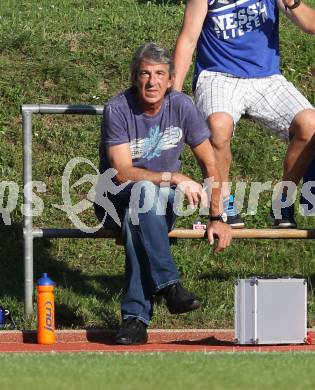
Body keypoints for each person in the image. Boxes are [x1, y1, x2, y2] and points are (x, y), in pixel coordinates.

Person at [95, 43, 232, 345]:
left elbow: (210, 161)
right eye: (144, 73)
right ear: (134, 78)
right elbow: (121, 172)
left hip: (160, 203)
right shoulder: (118, 109)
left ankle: (135, 320)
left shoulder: (181, 106)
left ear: (171, 80)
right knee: (141, 193)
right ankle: (169, 285)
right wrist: (173, 177)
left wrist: (218, 216)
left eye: (159, 74)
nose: (152, 81)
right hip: (113, 201)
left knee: (140, 219)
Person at [173, 0, 315, 228]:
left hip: (266, 77)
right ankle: (223, 202)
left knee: (311, 124)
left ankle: (283, 202)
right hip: (217, 75)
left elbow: (310, 24)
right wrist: (174, 96)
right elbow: (188, 39)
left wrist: (294, 3)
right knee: (218, 125)